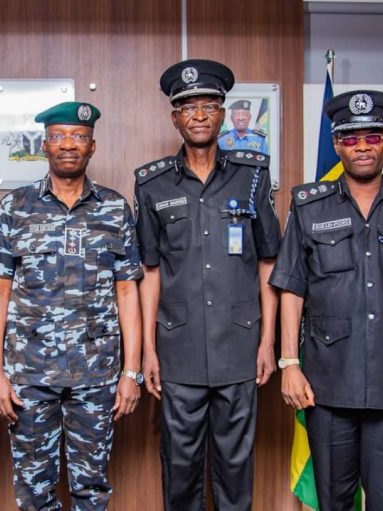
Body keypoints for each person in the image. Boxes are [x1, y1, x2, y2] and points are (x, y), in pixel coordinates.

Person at [270, 90, 383, 511]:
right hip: (327, 386)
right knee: (333, 501)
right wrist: (290, 364)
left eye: (373, 137)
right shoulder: (310, 207)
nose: (363, 147)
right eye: (351, 139)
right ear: (337, 145)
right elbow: (291, 287)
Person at [0, 101, 143, 510]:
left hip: (96, 374)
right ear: (44, 145)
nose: (68, 144)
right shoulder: (14, 208)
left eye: (79, 137)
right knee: (34, 491)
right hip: (30, 375)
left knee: (92, 487)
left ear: (92, 146)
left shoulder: (114, 209)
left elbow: (128, 293)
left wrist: (131, 372)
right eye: (58, 136)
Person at [134, 59, 281, 510]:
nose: (199, 115)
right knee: (180, 471)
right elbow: (150, 271)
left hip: (239, 345)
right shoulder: (152, 183)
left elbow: (268, 262)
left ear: (223, 114)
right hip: (177, 350)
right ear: (174, 118)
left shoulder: (253, 175)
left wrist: (268, 342)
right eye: (188, 107)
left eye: (209, 106)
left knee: (236, 470)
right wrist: (148, 350)